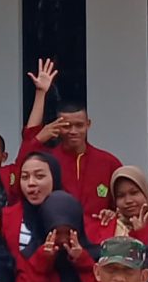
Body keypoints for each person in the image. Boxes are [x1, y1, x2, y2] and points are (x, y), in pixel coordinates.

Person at [18, 58, 122, 213]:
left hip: (97, 234)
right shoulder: (49, 161)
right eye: (67, 126)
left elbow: (124, 203)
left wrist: (114, 213)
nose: (73, 131)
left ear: (88, 124)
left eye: (79, 125)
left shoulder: (109, 162)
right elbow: (22, 160)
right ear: (58, 127)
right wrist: (40, 95)